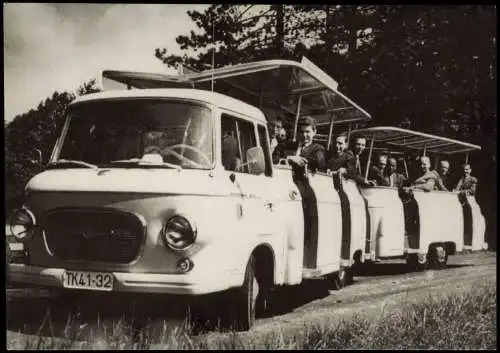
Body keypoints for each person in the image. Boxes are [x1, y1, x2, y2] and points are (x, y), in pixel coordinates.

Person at [286, 116, 324, 268]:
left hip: (305, 185)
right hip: (287, 184)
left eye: (308, 132)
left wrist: (301, 159)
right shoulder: (291, 145)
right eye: (301, 132)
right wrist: (290, 157)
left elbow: (319, 162)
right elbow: (276, 156)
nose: (304, 135)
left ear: (314, 132)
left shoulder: (317, 148)